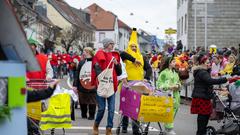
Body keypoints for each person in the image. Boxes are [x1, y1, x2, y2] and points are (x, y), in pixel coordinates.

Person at [121, 28, 152, 135]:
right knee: (125, 106)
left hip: (138, 85)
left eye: (135, 46)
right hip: (127, 83)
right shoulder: (125, 56)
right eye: (131, 46)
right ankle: (124, 127)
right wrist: (134, 60)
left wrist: (146, 78)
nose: (133, 48)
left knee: (136, 107)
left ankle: (135, 129)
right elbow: (122, 54)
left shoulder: (142, 57)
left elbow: (149, 69)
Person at [191, 54, 228, 135]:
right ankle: (200, 132)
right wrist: (225, 79)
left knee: (204, 117)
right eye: (207, 63)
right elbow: (210, 81)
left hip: (203, 96)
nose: (209, 64)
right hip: (201, 97)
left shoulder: (203, 71)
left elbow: (206, 85)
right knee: (203, 117)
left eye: (209, 63)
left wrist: (219, 89)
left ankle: (201, 131)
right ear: (202, 63)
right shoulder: (202, 72)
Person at [91, 38, 122, 135]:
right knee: (101, 108)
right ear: (106, 44)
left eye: (113, 43)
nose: (112, 45)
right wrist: (104, 79)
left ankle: (109, 128)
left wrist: (117, 65)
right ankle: (96, 125)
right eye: (110, 43)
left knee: (112, 109)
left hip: (111, 86)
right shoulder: (98, 55)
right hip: (101, 85)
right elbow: (96, 69)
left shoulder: (114, 56)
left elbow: (119, 72)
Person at [156, 56, 181, 135]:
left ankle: (167, 128)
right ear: (169, 63)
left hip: (175, 95)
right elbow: (159, 84)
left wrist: (178, 86)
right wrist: (169, 87)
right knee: (168, 112)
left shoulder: (175, 73)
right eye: (173, 62)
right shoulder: (164, 72)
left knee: (174, 111)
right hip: (167, 95)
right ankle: (169, 129)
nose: (175, 63)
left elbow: (179, 82)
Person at [73, 47, 96, 120]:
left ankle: (92, 115)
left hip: (92, 85)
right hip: (82, 85)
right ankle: (84, 114)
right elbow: (77, 74)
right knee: (82, 100)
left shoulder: (95, 62)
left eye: (84, 51)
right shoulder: (82, 62)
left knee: (92, 100)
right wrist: (75, 85)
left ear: (88, 52)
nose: (83, 53)